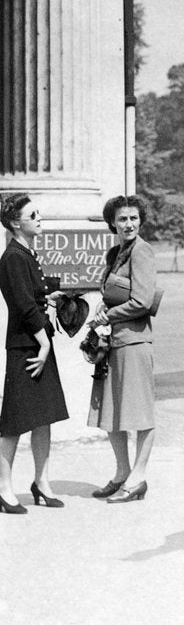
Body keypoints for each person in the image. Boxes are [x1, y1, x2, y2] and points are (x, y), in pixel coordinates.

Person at [0, 194, 68, 513]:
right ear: (16, 223)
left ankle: (41, 483)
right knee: (14, 421)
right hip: (26, 348)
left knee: (44, 416)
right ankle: (4, 490)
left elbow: (31, 296)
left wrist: (49, 297)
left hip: (36, 343)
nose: (39, 218)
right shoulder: (13, 257)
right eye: (32, 215)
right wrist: (44, 344)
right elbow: (24, 306)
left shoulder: (26, 253)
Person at [88, 195, 157, 502]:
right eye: (122, 219)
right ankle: (121, 473)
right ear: (112, 224)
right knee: (111, 410)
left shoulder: (142, 251)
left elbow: (142, 301)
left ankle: (137, 478)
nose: (129, 224)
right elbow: (113, 294)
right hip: (113, 342)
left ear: (140, 220)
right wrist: (103, 311)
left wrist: (108, 315)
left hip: (134, 342)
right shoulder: (116, 253)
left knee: (140, 413)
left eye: (133, 218)